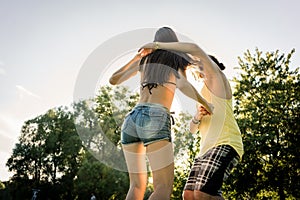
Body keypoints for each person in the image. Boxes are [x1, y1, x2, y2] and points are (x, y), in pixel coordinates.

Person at [109, 27, 213, 200]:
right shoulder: (174, 59)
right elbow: (184, 86)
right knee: (163, 187)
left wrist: (137, 57)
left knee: (136, 186)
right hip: (155, 117)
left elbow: (114, 79)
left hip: (132, 119)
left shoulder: (145, 61)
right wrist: (205, 103)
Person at [141, 41, 244, 200]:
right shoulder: (202, 94)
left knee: (203, 193)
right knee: (189, 195)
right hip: (205, 150)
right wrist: (197, 117)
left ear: (211, 66)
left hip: (226, 142)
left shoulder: (219, 81)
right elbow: (192, 129)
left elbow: (195, 50)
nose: (197, 68)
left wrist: (160, 46)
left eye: (200, 65)